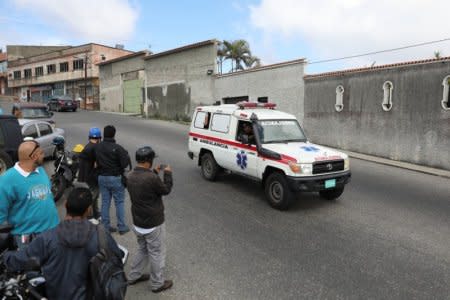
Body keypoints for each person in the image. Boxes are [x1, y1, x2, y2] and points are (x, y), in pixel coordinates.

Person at [3, 187, 123, 299]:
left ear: (65, 205)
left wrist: (5, 257)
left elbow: (23, 259)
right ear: (89, 210)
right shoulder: (101, 234)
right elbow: (117, 256)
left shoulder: (47, 238)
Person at [126, 146, 173, 293]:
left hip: (138, 222)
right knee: (156, 252)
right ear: (148, 161)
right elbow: (165, 189)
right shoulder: (151, 178)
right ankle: (157, 283)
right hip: (153, 223)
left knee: (142, 249)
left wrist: (155, 171)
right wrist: (167, 174)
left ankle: (133, 276)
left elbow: (143, 180)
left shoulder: (130, 175)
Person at [0, 140, 59, 249]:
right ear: (34, 156)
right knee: (29, 266)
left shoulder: (41, 171)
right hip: (28, 239)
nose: (44, 155)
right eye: (41, 153)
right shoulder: (7, 180)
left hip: (52, 232)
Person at [95, 125, 131, 235]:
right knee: (119, 202)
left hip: (102, 177)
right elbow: (125, 164)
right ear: (114, 134)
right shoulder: (118, 148)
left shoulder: (98, 147)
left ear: (104, 134)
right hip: (115, 178)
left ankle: (105, 227)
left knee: (105, 202)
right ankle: (121, 227)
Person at [78, 127, 102, 219]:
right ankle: (89, 216)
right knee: (93, 196)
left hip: (85, 176)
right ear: (99, 137)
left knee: (94, 196)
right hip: (93, 177)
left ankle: (96, 214)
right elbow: (98, 164)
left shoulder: (87, 146)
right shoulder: (97, 148)